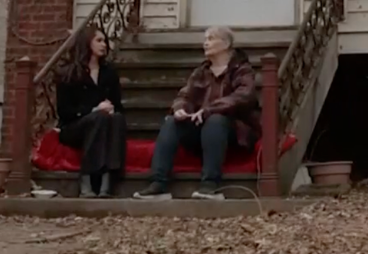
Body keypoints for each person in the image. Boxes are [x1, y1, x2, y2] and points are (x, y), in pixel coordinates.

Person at [133, 26, 259, 201]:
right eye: (205, 39)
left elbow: (244, 96)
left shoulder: (242, 70)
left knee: (215, 120)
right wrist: (180, 109)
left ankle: (209, 186)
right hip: (202, 132)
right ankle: (158, 184)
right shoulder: (201, 72)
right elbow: (184, 95)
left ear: (226, 44)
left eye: (211, 39)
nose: (205, 43)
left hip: (234, 132)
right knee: (171, 122)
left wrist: (209, 110)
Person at [54, 25, 126, 197]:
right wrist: (94, 110)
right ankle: (87, 182)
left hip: (103, 124)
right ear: (87, 43)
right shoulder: (70, 73)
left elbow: (118, 104)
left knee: (116, 119)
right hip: (74, 126)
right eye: (99, 41)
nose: (104, 45)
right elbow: (64, 111)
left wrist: (111, 108)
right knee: (98, 118)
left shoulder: (109, 73)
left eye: (105, 41)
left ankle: (106, 184)